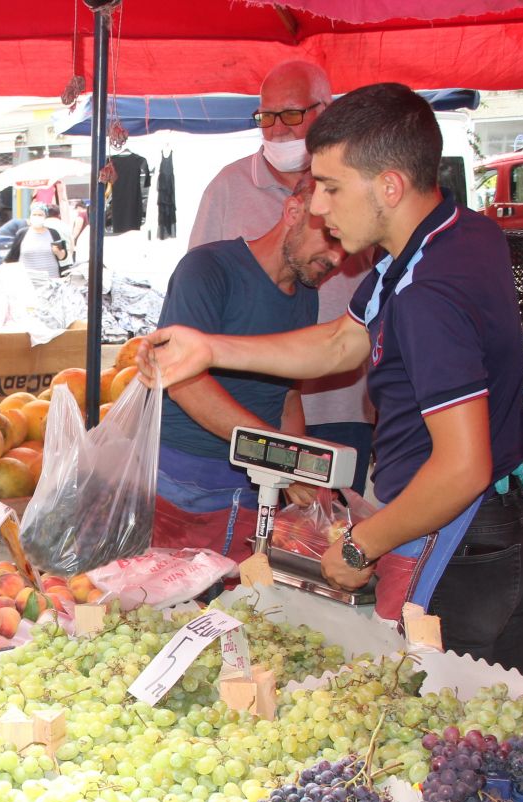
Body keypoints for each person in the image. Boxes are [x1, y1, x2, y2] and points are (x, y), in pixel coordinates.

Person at [143, 84, 523, 674]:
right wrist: (208, 347)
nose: (319, 208)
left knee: (449, 735)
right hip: (504, 530)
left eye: (332, 188)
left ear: (389, 185)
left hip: (459, 540)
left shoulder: (427, 296)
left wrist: (364, 543)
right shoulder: (453, 237)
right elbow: (341, 342)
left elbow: (462, 468)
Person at [189, 60, 376, 491]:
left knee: (328, 536)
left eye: (291, 115)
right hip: (253, 412)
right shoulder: (227, 187)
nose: (277, 130)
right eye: (266, 117)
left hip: (341, 405)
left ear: (326, 111)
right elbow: (198, 302)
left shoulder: (357, 185)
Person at [151, 175, 346, 561]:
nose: (338, 259)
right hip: (183, 483)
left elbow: (288, 394)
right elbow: (185, 383)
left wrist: (295, 466)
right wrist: (281, 456)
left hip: (256, 487)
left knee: (240, 608)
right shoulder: (207, 268)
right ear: (293, 212)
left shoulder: (307, 295)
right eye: (331, 238)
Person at [5, 204, 67, 284]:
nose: (37, 217)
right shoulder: (22, 234)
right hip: (28, 282)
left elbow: (63, 256)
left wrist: (57, 252)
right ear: (30, 216)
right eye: (34, 214)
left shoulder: (53, 233)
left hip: (51, 281)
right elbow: (11, 257)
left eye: (40, 215)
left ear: (45, 217)